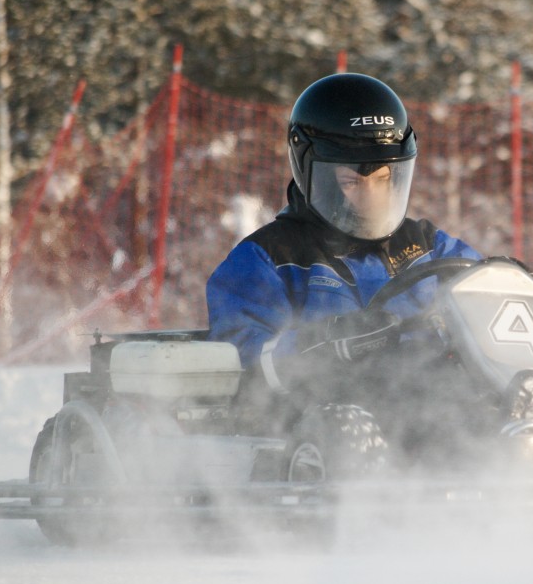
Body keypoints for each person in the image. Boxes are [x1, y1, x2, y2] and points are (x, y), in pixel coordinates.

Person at [206, 73, 482, 472]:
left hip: (434, 410)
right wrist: (326, 341)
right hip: (322, 425)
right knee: (351, 437)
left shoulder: (429, 247)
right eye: (353, 181)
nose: (370, 197)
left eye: (384, 179)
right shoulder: (267, 258)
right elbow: (244, 365)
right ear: (310, 170)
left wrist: (508, 286)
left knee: (518, 393)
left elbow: (480, 292)